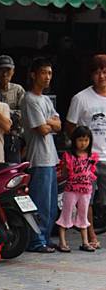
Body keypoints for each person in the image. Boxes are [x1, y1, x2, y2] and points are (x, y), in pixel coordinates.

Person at [21, 57, 61, 253]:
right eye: (44, 73)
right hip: (38, 158)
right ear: (33, 75)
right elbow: (43, 129)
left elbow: (58, 126)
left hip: (51, 158)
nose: (47, 77)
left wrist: (49, 123)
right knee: (40, 203)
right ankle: (36, 241)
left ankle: (45, 238)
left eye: (50, 73)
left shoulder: (45, 99)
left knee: (51, 204)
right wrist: (50, 123)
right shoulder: (29, 99)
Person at [66, 54, 106, 249]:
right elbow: (70, 127)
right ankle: (90, 234)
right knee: (86, 199)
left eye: (105, 72)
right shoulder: (81, 99)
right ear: (91, 75)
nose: (101, 76)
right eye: (97, 72)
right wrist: (82, 152)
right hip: (88, 160)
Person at [56, 126, 97, 252]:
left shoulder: (91, 157)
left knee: (83, 215)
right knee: (66, 214)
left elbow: (92, 173)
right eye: (80, 140)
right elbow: (64, 173)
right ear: (74, 141)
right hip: (71, 190)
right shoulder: (68, 156)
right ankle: (62, 242)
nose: (83, 143)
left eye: (86, 140)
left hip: (85, 191)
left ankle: (85, 242)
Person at [0, 55, 25, 163]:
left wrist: (4, 113)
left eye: (8, 70)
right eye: (1, 70)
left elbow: (24, 113)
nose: (4, 74)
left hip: (14, 137)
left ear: (13, 71)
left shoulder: (18, 89)